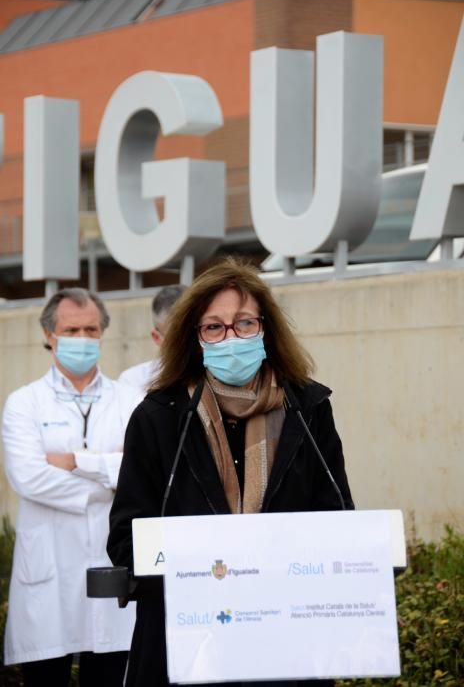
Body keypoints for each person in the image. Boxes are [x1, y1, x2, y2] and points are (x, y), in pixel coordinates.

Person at [107, 257, 354, 687]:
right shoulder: (160, 417)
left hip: (285, 637)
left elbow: (335, 514)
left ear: (265, 329)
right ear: (195, 337)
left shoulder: (308, 409)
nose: (231, 337)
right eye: (214, 327)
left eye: (244, 324)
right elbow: (126, 537)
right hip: (188, 642)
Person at [3, 287, 138, 686]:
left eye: (91, 329)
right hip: (48, 573)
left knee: (111, 671)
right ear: (49, 335)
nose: (82, 338)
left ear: (102, 333)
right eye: (71, 329)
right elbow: (28, 477)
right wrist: (109, 480)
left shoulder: (131, 401)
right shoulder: (24, 403)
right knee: (47, 674)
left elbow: (142, 470)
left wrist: (78, 462)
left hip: (110, 565)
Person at [118, 285, 186, 396]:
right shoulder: (133, 382)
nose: (188, 341)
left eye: (195, 330)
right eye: (177, 336)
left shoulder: (217, 376)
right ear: (157, 337)